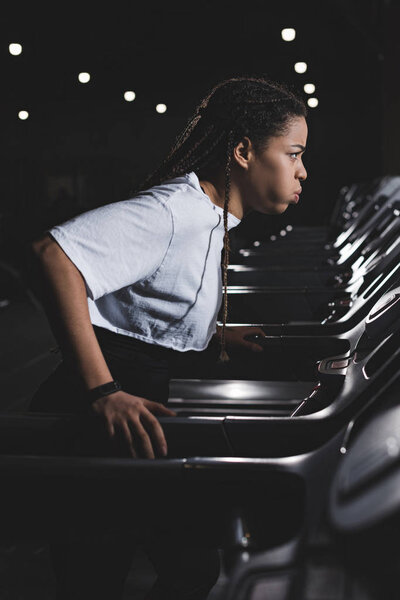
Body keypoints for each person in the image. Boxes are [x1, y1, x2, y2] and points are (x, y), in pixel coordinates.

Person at [29, 75, 308, 599]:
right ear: (245, 152)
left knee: (192, 567)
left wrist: (214, 333)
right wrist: (102, 393)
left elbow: (147, 306)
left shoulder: (211, 217)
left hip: (143, 415)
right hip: (99, 415)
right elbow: (54, 256)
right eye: (293, 154)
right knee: (95, 581)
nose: (302, 171)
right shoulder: (174, 211)